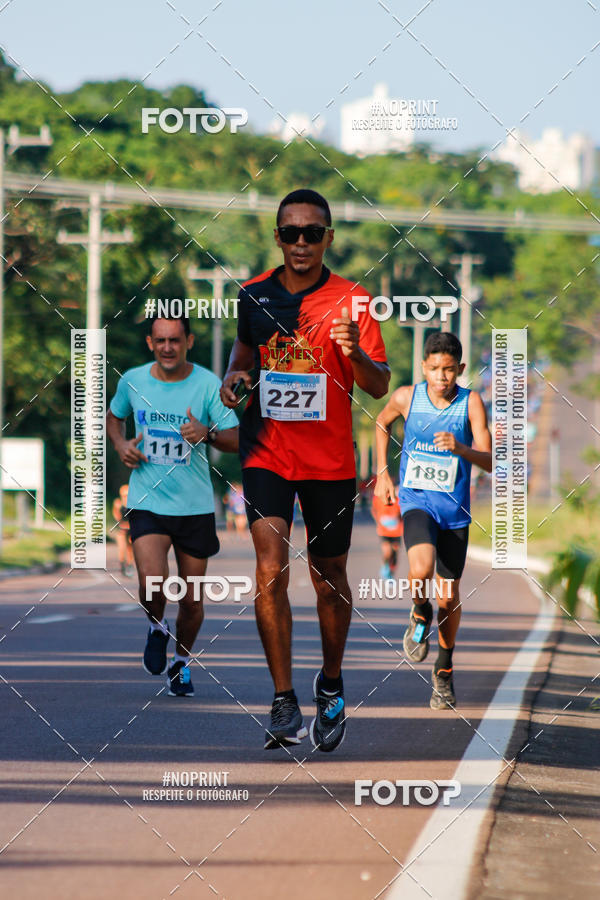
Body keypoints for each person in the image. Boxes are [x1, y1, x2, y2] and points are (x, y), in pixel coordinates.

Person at [220, 188, 390, 751]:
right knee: (270, 569)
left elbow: (379, 384)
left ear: (328, 238)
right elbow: (243, 359)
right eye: (290, 232)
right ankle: (283, 697)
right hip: (267, 451)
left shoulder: (354, 301)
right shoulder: (254, 295)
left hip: (329, 461)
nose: (300, 243)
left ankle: (333, 684)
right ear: (277, 237)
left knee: (329, 578)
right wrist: (234, 382)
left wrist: (356, 353)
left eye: (311, 233)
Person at [107, 315, 239, 697]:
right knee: (151, 581)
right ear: (150, 342)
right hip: (147, 499)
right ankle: (155, 626)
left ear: (189, 342)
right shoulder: (132, 380)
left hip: (194, 506)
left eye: (175, 340)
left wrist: (208, 433)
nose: (168, 347)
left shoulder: (207, 384)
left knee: (192, 600)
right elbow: (114, 418)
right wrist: (121, 446)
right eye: (161, 340)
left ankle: (181, 661)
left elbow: (236, 437)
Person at [374, 332, 492, 709]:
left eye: (449, 370)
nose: (442, 377)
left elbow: (490, 460)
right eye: (435, 369)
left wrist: (461, 448)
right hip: (417, 501)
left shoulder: (471, 403)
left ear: (460, 369)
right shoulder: (408, 397)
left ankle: (444, 668)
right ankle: (419, 611)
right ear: (424, 367)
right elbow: (381, 422)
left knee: (451, 596)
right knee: (420, 568)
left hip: (454, 511)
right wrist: (383, 473)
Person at [370, 485, 403, 581]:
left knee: (395, 554)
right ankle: (385, 568)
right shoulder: (378, 499)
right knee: (387, 552)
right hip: (384, 531)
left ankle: (391, 574)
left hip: (397, 531)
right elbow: (374, 510)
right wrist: (378, 522)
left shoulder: (398, 501)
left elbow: (402, 514)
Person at [112, 483, 134, 576]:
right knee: (122, 547)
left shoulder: (133, 503)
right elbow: (116, 515)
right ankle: (122, 564)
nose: (126, 496)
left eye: (127, 494)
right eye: (124, 495)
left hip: (131, 528)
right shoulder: (118, 503)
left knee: (130, 548)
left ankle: (129, 564)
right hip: (122, 529)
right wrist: (120, 522)